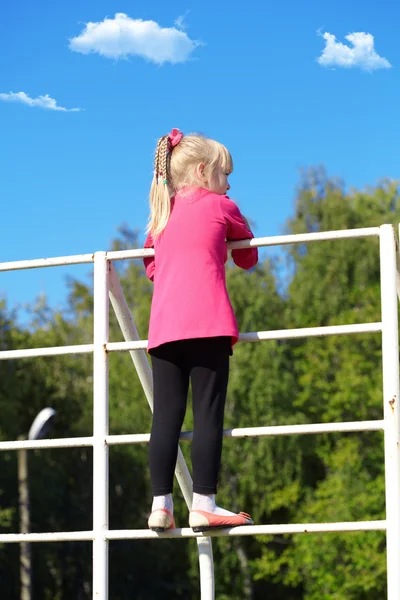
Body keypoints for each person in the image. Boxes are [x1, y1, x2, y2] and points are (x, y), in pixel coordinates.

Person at [143, 128, 258, 532]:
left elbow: (152, 268)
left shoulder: (161, 214)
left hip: (164, 331)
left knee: (166, 418)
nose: (228, 184)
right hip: (208, 324)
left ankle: (161, 505)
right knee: (207, 415)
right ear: (204, 170)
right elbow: (247, 257)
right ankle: (203, 503)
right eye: (225, 174)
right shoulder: (222, 205)